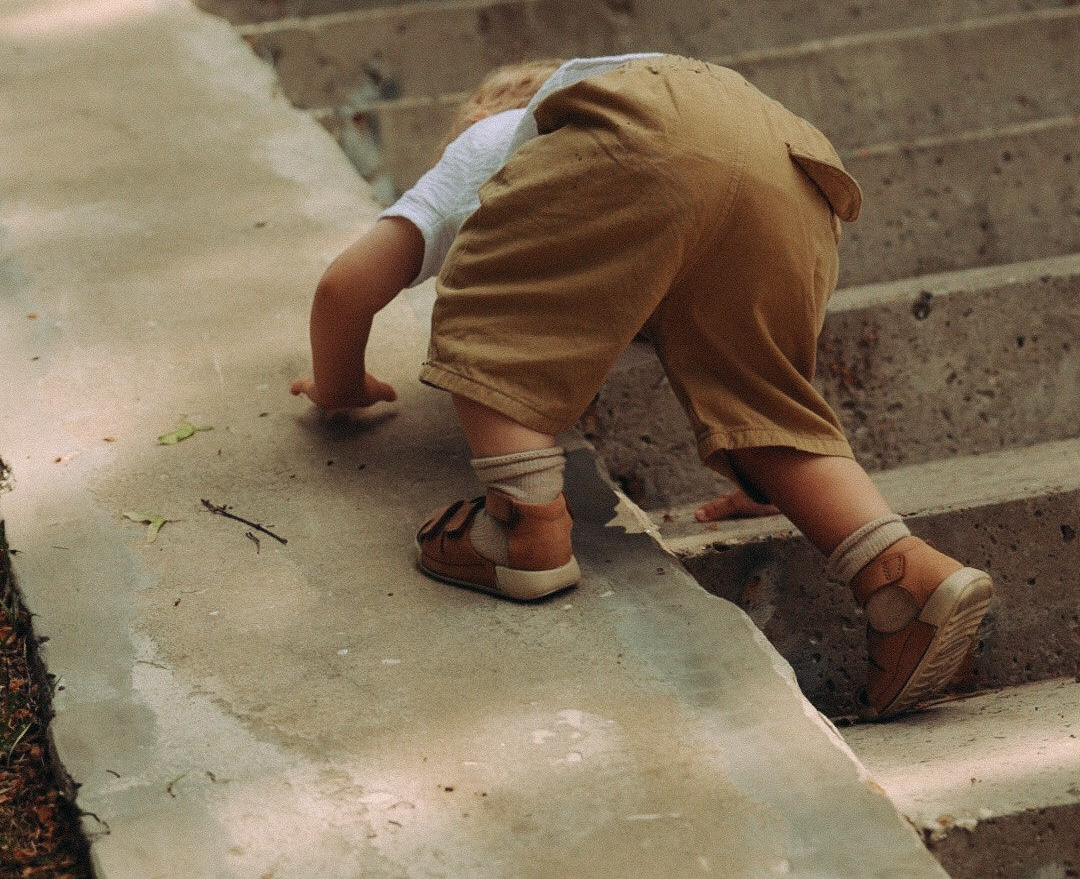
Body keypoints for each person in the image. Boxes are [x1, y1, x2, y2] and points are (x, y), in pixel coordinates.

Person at [291, 53, 993, 721]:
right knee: (757, 388)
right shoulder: (639, 191)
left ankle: (522, 523)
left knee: (492, 300)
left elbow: (343, 287)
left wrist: (341, 383)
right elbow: (750, 349)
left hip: (657, 129)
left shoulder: (492, 144)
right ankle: (902, 575)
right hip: (793, 162)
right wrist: (763, 480)